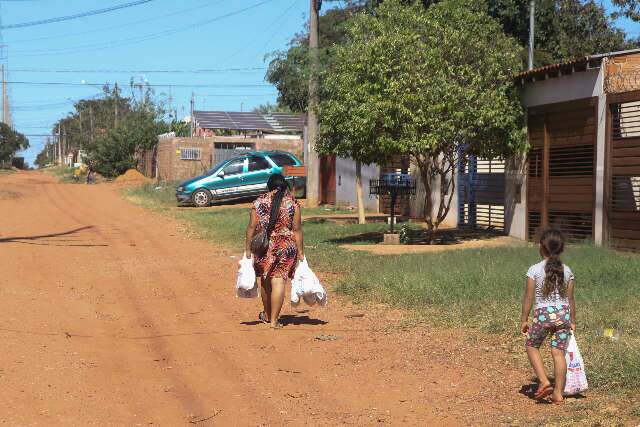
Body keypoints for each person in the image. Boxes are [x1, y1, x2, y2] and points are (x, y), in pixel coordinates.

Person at [520, 229, 576, 404]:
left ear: (541, 247)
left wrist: (524, 319)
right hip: (563, 315)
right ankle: (558, 393)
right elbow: (570, 298)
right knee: (558, 353)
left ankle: (544, 381)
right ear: (561, 249)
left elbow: (529, 297)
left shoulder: (534, 270)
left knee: (531, 345)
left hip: (544, 314)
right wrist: (572, 321)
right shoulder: (567, 270)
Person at [245, 174, 303, 329]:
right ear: (284, 187)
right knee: (279, 280)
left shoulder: (258, 203)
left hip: (264, 247)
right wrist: (301, 252)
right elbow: (297, 229)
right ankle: (274, 321)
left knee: (265, 280)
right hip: (286, 247)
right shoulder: (293, 204)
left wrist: (248, 249)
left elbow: (251, 227)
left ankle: (267, 314)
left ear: (269, 186)